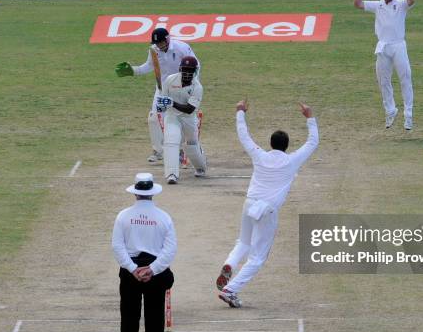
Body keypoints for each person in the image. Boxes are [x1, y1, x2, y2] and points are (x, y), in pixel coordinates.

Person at [216, 101, 319, 308]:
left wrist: (240, 112)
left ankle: (230, 264)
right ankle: (230, 289)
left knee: (243, 242)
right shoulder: (292, 161)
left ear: (270, 144)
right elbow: (312, 142)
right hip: (267, 210)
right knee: (257, 257)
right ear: (286, 146)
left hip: (249, 203)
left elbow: (244, 136)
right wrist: (310, 117)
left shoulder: (260, 155)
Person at [112, 173, 176, 332]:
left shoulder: (123, 216)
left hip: (131, 273)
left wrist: (132, 269)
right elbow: (170, 249)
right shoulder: (163, 217)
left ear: (136, 194)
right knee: (154, 319)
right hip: (154, 273)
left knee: (129, 318)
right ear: (152, 194)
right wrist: (153, 270)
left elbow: (117, 246)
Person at [115, 28, 200, 163]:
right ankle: (158, 151)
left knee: (180, 119)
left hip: (181, 89)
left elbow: (196, 66)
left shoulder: (182, 47)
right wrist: (133, 70)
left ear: (167, 39)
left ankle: (181, 151)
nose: (158, 45)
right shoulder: (154, 50)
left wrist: (191, 87)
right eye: (156, 43)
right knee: (154, 118)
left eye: (160, 42)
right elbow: (149, 66)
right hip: (162, 89)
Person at [354, 0, 416, 130]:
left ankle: (408, 115)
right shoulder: (378, 5)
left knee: (405, 79)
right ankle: (390, 110)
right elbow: (358, 3)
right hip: (383, 46)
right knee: (384, 81)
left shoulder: (401, 4)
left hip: (398, 46)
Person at [156, 56, 207, 184]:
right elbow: (163, 101)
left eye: (190, 70)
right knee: (171, 141)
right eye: (184, 70)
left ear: (195, 72)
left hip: (188, 118)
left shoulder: (197, 87)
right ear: (180, 69)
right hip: (172, 116)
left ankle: (200, 167)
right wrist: (161, 105)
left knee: (191, 144)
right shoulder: (170, 80)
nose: (187, 73)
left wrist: (171, 103)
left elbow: (190, 109)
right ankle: (171, 174)